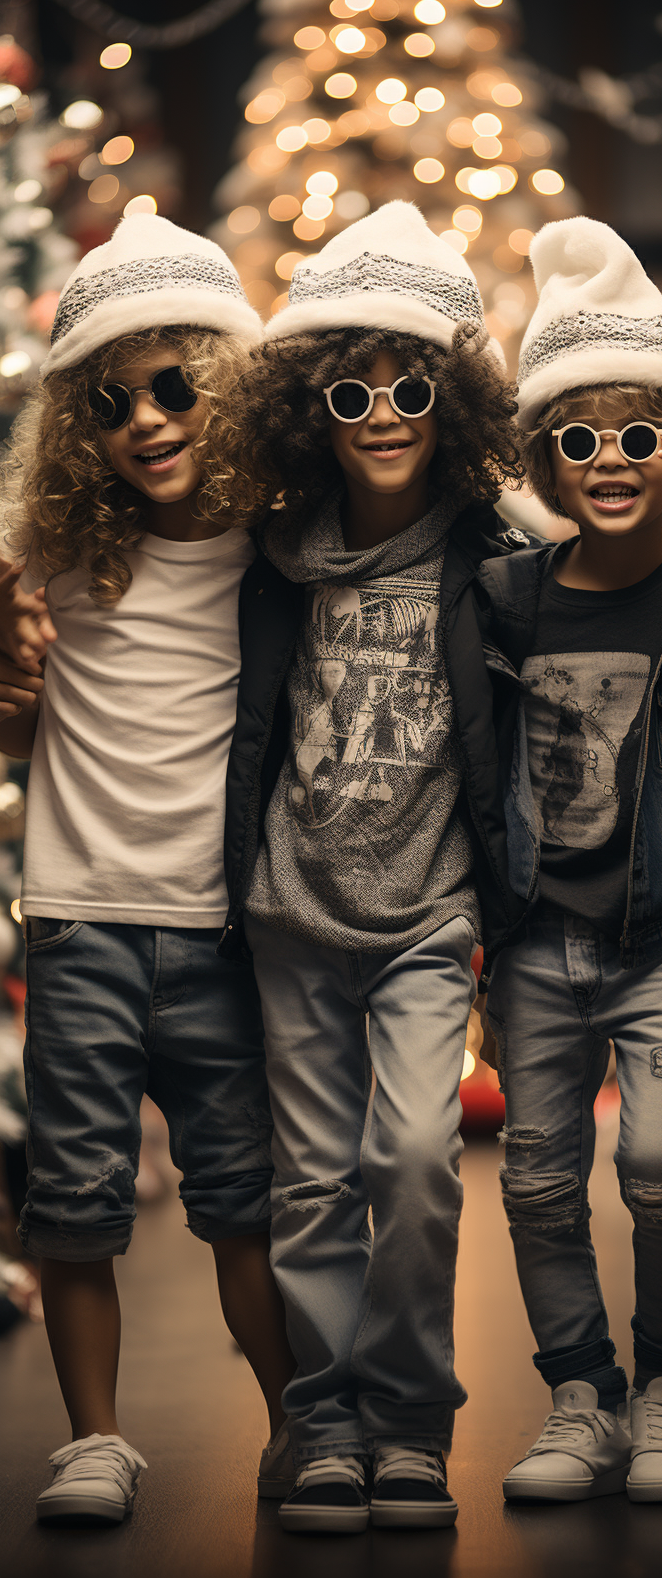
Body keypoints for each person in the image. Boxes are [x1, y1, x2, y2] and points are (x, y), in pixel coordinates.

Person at [214, 199, 533, 1534]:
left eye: (415, 385)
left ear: (451, 398)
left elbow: (615, 569)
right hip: (293, 909)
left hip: (425, 915)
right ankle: (326, 1417)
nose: (386, 410)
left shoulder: (491, 544)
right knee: (310, 1184)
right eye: (353, 387)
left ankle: (409, 1421)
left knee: (407, 1159)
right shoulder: (276, 554)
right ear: (313, 407)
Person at [0, 214, 296, 1524]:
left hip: (218, 923)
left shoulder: (266, 544)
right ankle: (95, 1440)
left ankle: (300, 1429)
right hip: (78, 922)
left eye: (178, 386)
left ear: (225, 393)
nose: (149, 420)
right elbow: (16, 704)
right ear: (80, 427)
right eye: (114, 402)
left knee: (242, 1201)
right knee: (73, 1201)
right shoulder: (53, 557)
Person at [479, 216, 662, 1505]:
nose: (611, 463)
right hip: (534, 937)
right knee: (535, 1177)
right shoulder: (513, 599)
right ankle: (582, 1393)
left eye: (639, 437)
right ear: (545, 457)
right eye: (578, 440)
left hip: (660, 936)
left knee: (655, 1166)